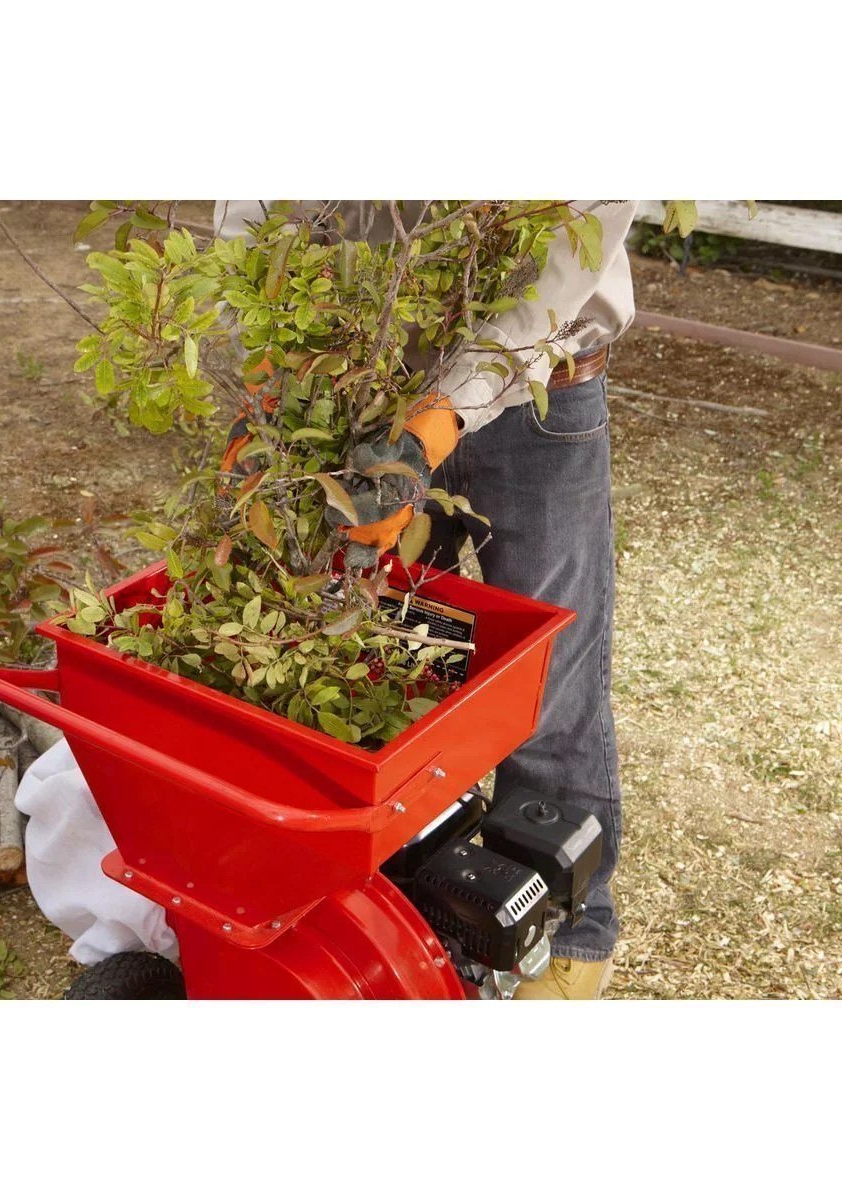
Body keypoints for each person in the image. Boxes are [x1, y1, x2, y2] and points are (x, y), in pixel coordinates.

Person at [214, 200, 639, 999]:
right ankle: (408, 917)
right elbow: (258, 214)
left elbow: (562, 262)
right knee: (376, 651)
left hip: (539, 393)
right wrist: (267, 373)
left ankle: (572, 941)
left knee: (552, 679)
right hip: (367, 400)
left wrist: (441, 417)